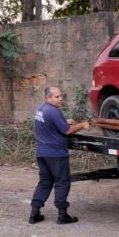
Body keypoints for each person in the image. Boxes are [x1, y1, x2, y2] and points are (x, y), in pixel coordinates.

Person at [29, 86, 90, 224]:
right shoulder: (53, 111)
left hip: (42, 153)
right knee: (62, 182)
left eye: (60, 96)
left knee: (45, 182)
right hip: (56, 154)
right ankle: (63, 215)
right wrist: (82, 125)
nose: (60, 99)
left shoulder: (41, 109)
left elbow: (52, 124)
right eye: (57, 97)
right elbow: (67, 131)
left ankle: (34, 212)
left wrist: (64, 121)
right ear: (48, 97)